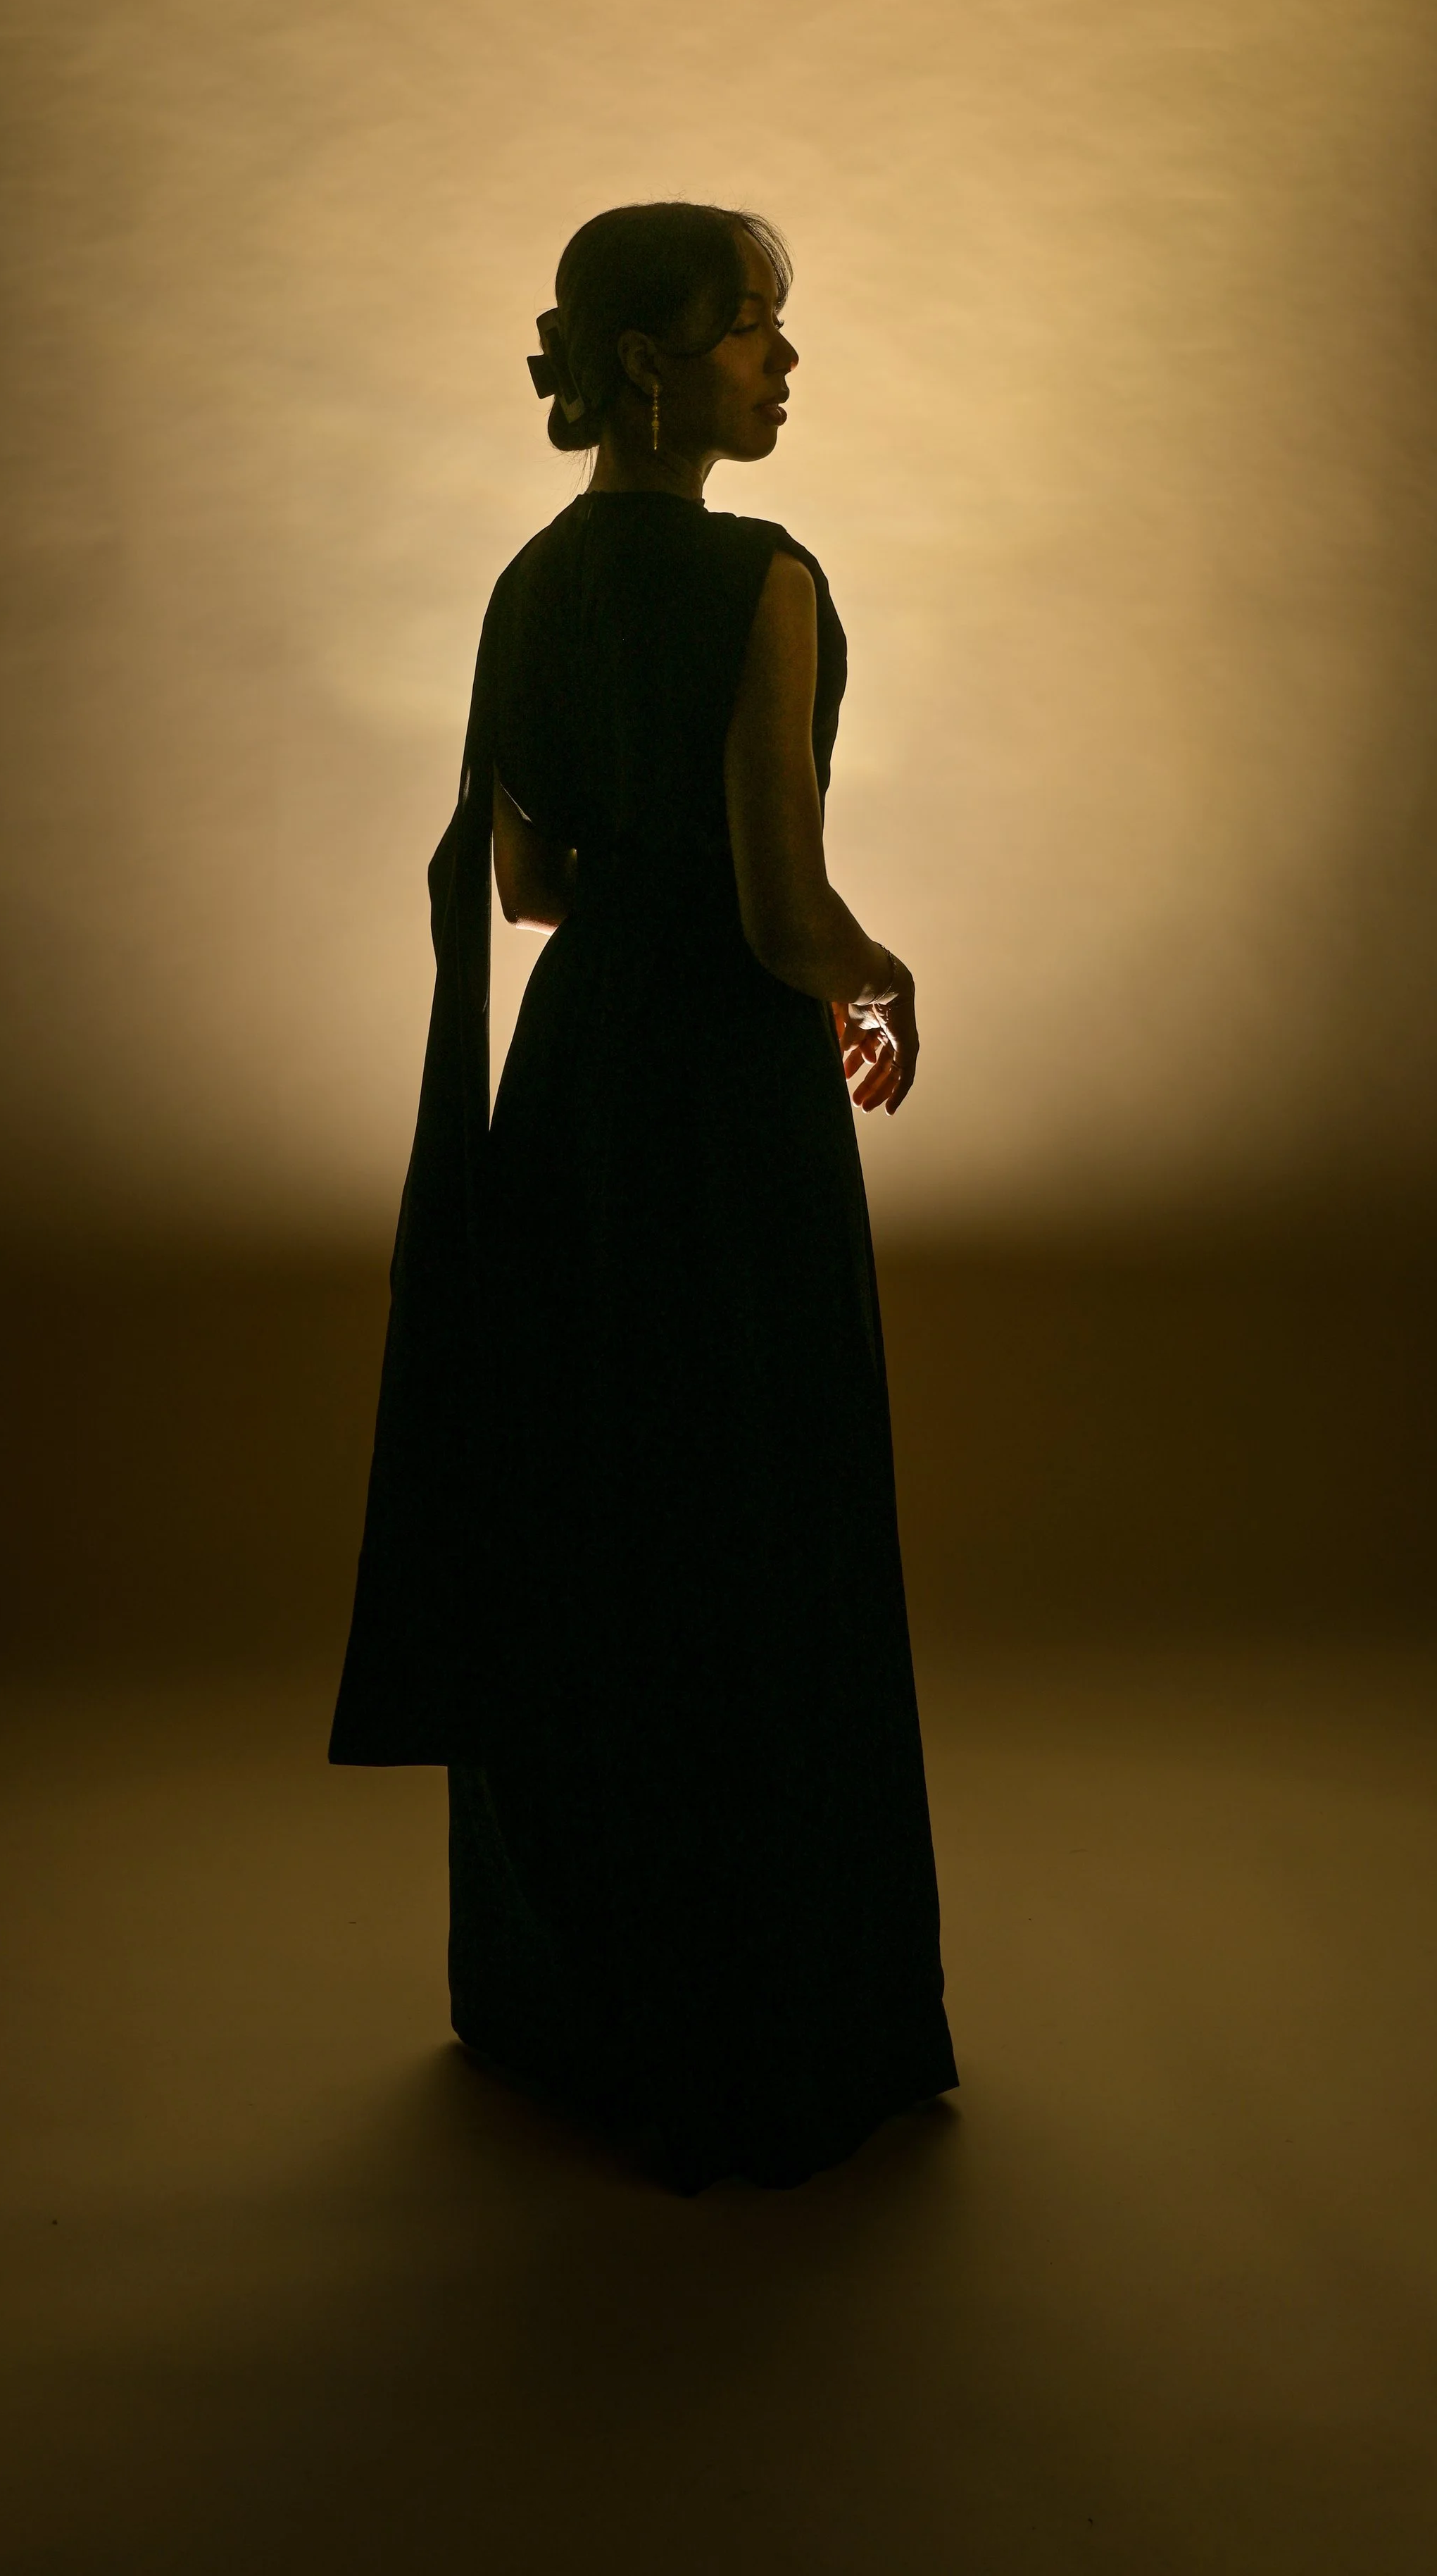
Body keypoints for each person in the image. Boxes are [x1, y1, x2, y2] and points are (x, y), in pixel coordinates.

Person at [330, 201, 957, 2192]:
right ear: (655, 361)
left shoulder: (525, 585)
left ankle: (574, 2004)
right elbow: (780, 910)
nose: (784, 360)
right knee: (748, 1508)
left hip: (582, 1077)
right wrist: (880, 974)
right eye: (753, 326)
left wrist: (649, 885)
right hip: (725, 1100)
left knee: (599, 1505)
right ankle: (767, 2018)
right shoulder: (763, 578)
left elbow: (526, 886)